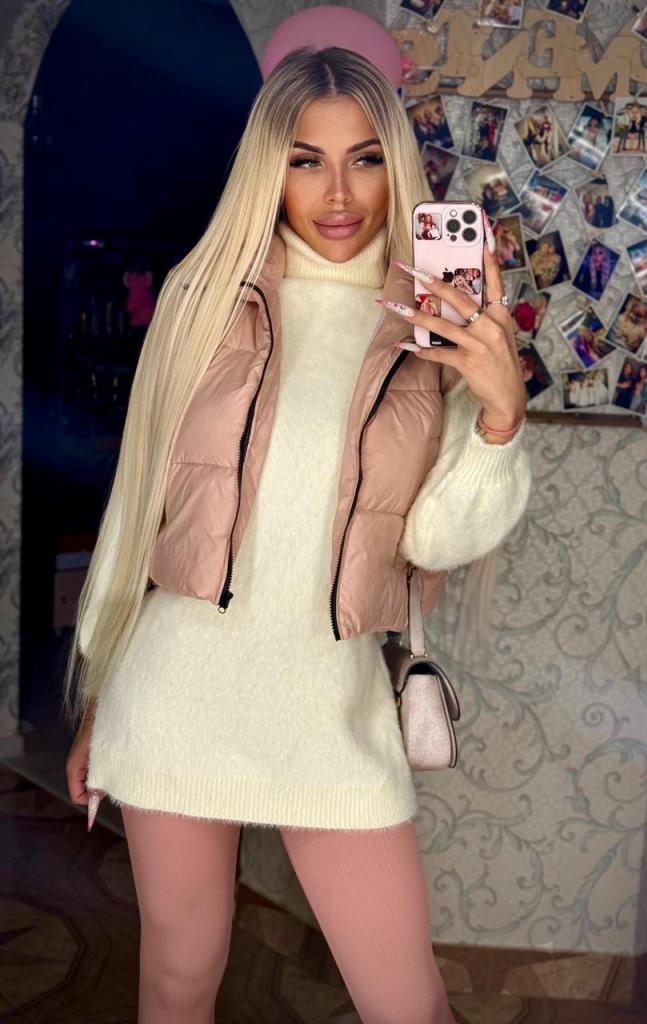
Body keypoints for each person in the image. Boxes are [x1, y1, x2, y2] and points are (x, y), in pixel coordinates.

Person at [62, 45, 531, 1024]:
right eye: (306, 160)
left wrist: (498, 415)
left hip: (334, 712)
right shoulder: (201, 301)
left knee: (408, 1005)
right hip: (176, 695)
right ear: (267, 169)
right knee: (177, 983)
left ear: (397, 167)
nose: (338, 193)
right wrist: (99, 694)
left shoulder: (437, 324)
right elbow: (138, 512)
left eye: (365, 159)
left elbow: (438, 539)